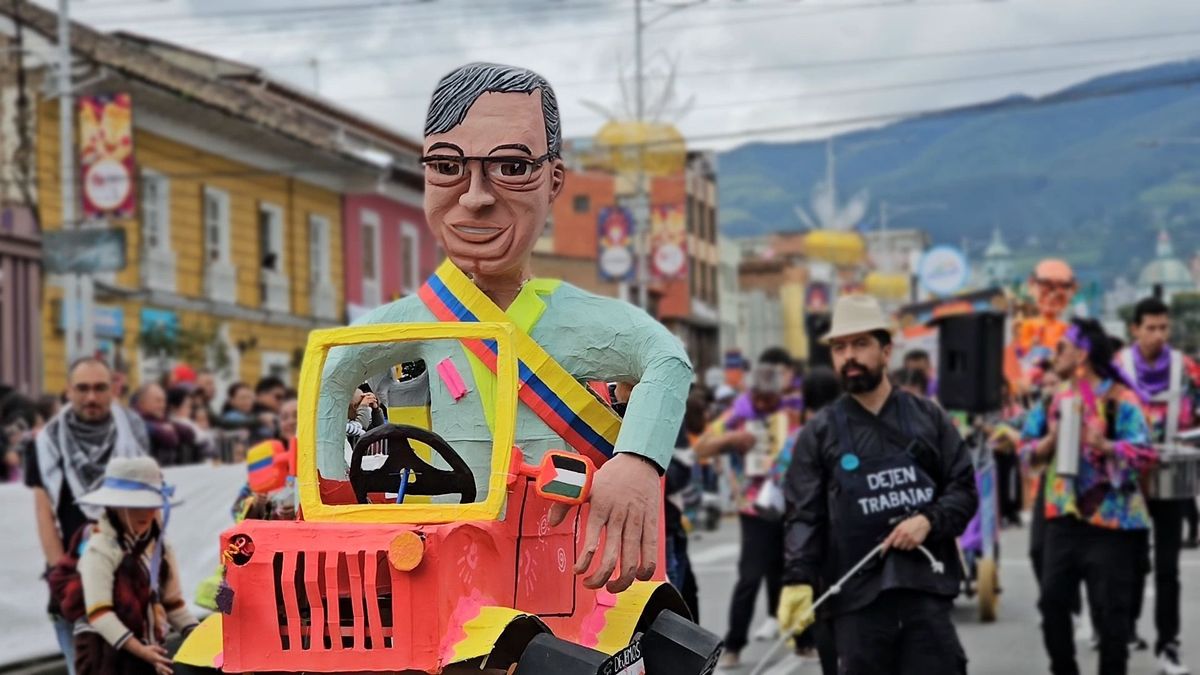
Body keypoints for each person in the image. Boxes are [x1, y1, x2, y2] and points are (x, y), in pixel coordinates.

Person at [319, 62, 692, 597]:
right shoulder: (416, 319)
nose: (475, 196)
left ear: (554, 180)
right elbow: (332, 375)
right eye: (446, 166)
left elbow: (666, 358)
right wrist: (331, 500)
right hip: (445, 568)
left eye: (512, 167)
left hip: (567, 571)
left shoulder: (573, 318)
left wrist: (636, 460)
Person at [779, 294, 977, 674]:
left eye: (860, 344)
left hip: (924, 594)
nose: (849, 356)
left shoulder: (929, 419)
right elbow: (803, 515)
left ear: (886, 351)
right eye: (839, 348)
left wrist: (929, 521)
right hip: (853, 603)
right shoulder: (819, 434)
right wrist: (798, 579)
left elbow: (963, 489)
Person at [1026, 318, 1158, 675]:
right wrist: (1048, 442)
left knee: (1112, 614)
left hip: (1112, 522)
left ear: (1081, 354)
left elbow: (1147, 453)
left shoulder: (1122, 400)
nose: (1056, 355)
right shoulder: (1055, 399)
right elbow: (1026, 449)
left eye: (1063, 348)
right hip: (1063, 518)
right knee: (1052, 603)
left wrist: (1108, 446)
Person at [26, 358, 149, 672]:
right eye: (82, 388)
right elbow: (44, 512)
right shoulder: (45, 442)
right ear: (68, 390)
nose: (91, 397)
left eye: (99, 388)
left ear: (113, 390)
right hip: (75, 580)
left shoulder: (134, 432)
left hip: (129, 579)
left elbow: (149, 502)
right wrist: (62, 577)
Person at [1116, 297, 1199, 675]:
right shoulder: (1119, 368)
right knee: (1131, 562)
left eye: (1164, 327)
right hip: (1128, 480)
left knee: (1168, 567)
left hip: (1171, 475)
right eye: (1150, 328)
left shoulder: (1187, 369)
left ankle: (1169, 644)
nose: (1158, 335)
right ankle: (1126, 626)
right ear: (1135, 329)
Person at [694, 353, 794, 667]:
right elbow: (701, 447)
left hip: (792, 503)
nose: (763, 404)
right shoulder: (737, 413)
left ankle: (804, 638)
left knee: (792, 571)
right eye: (759, 398)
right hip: (753, 506)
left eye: (769, 399)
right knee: (750, 576)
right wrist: (733, 438)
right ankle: (735, 644)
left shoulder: (790, 411)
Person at [73, 456, 197, 675]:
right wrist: (142, 651)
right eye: (136, 505)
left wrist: (200, 635)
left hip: (149, 653)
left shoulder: (161, 546)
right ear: (115, 506)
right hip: (106, 658)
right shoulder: (99, 549)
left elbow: (173, 604)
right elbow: (100, 614)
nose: (146, 513)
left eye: (151, 505)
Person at [132, 383, 183, 467]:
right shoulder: (133, 421)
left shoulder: (163, 420)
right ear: (142, 402)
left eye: (164, 401)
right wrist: (160, 430)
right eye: (158, 401)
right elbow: (168, 436)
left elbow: (189, 433)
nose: (163, 405)